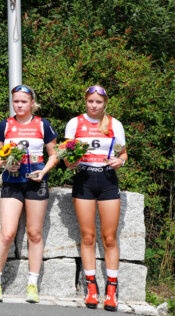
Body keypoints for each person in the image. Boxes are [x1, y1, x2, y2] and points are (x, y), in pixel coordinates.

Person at [0, 85, 59, 303]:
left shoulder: (42, 125)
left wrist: (44, 171)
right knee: (7, 233)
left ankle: (32, 284)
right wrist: (3, 164)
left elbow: (54, 155)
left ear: (31, 103)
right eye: (16, 101)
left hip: (36, 182)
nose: (19, 105)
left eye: (23, 101)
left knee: (35, 234)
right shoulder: (6, 125)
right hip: (12, 182)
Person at [64, 85, 128, 312]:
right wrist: (68, 161)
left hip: (108, 180)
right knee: (88, 237)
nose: (94, 105)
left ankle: (112, 289)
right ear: (86, 101)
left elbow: (123, 154)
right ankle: (91, 286)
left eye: (98, 102)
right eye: (90, 101)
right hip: (84, 179)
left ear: (104, 103)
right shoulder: (75, 123)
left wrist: (120, 161)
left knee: (109, 238)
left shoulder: (114, 124)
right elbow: (66, 153)